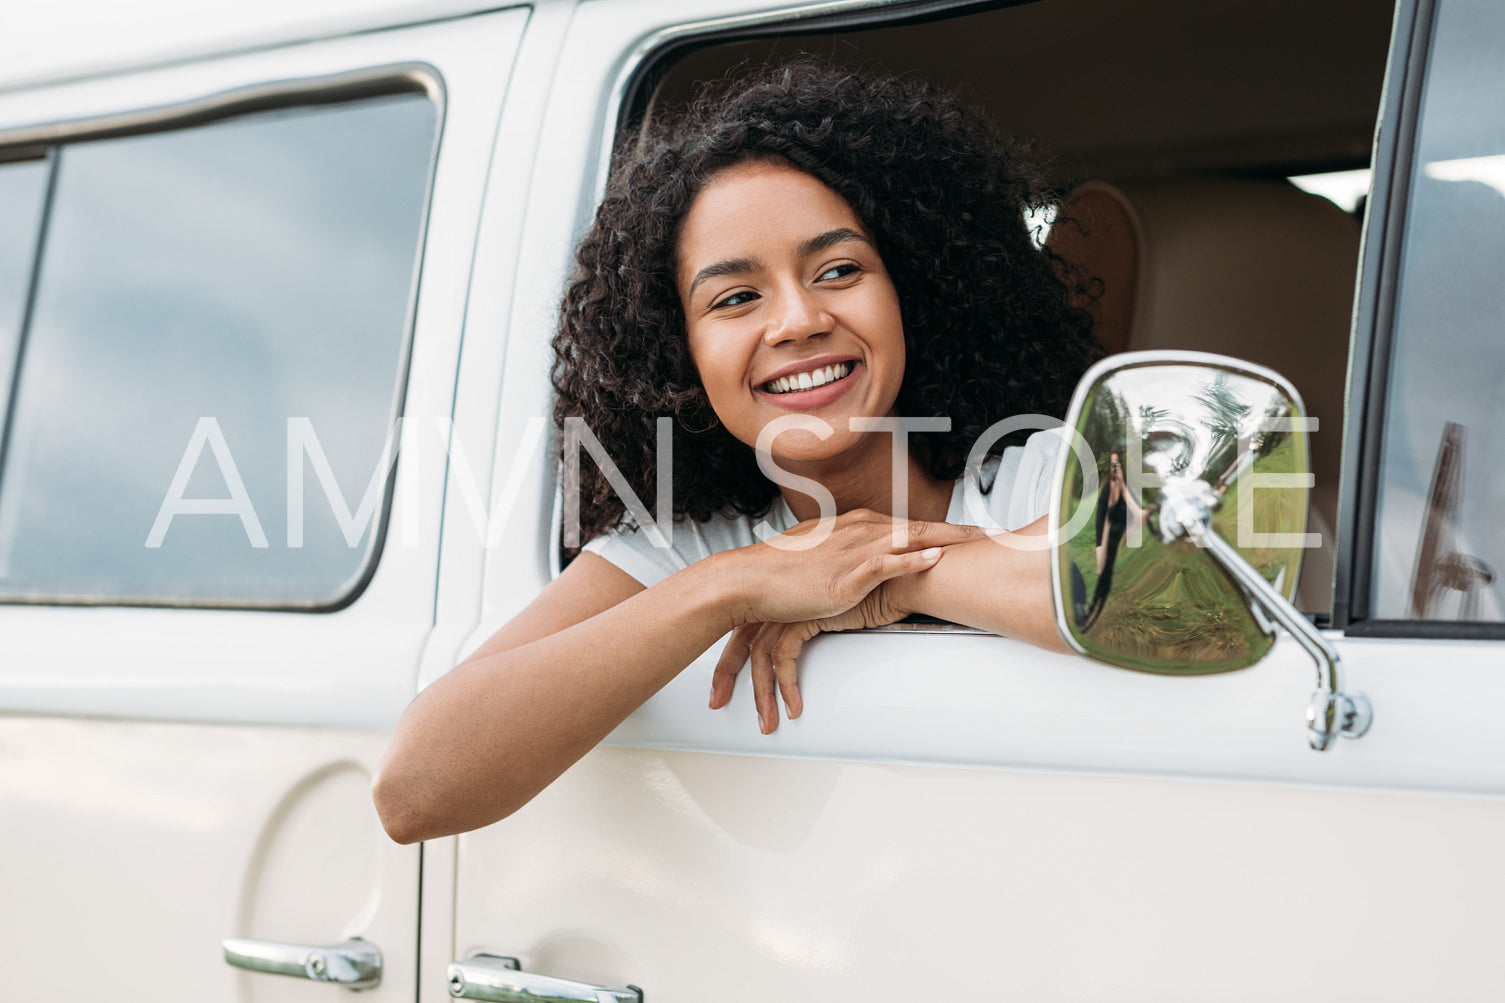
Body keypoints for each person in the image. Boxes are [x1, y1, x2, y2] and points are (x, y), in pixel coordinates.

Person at [372, 62, 1100, 844]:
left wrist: (879, 580)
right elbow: (416, 792)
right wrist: (734, 583)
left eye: (839, 271)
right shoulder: (692, 543)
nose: (796, 321)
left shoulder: (1047, 470)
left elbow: (1167, 602)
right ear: (676, 352)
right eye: (735, 298)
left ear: (912, 291)